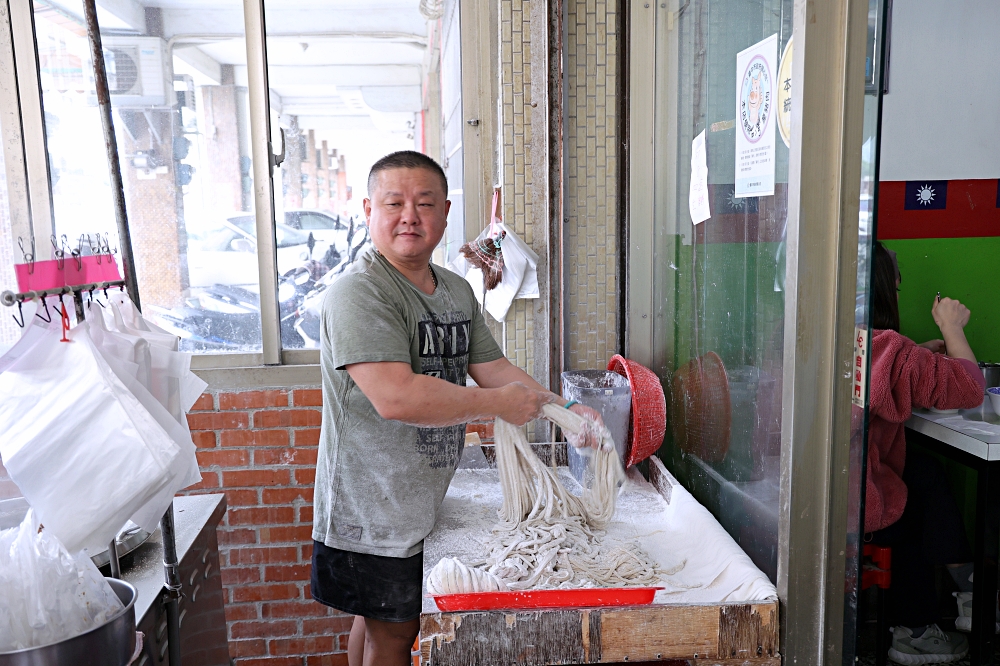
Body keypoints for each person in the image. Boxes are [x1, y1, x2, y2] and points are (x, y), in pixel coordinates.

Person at [309, 150, 602, 666]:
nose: (410, 216)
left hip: (417, 500)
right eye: (394, 203)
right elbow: (396, 397)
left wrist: (567, 410)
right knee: (393, 634)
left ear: (445, 212)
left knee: (376, 622)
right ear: (367, 209)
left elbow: (497, 371)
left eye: (424, 204)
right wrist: (498, 407)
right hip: (370, 507)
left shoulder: (455, 291)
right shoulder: (360, 292)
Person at [865, 242, 986, 664]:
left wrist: (918, 354)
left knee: (921, 470)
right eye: (896, 289)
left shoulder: (818, 334)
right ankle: (922, 627)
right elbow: (971, 390)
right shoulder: (889, 350)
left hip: (802, 494)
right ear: (882, 292)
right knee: (914, 505)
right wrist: (953, 329)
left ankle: (965, 594)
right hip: (851, 510)